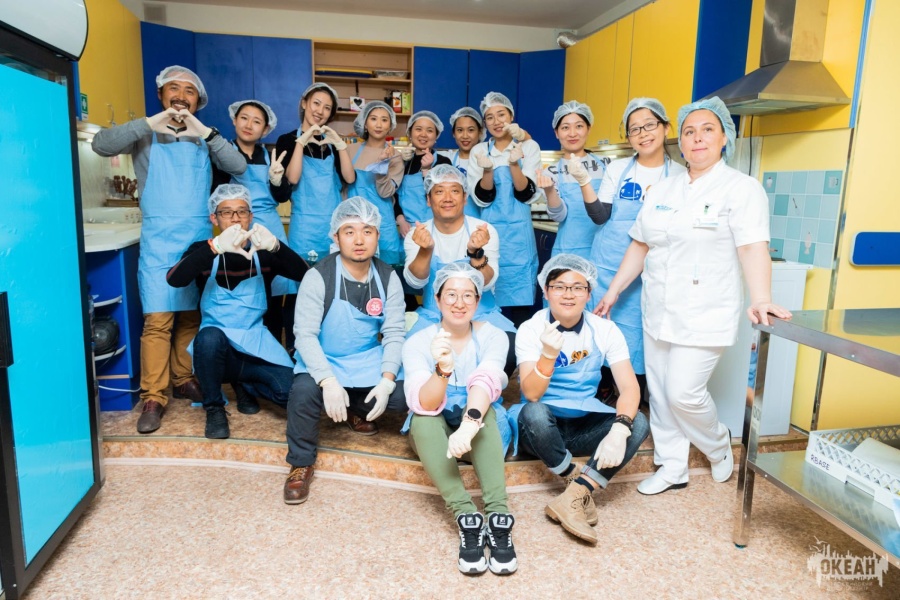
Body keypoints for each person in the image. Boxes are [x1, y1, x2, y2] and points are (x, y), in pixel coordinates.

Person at [596, 96, 791, 496]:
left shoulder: (741, 189)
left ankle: (718, 445)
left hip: (706, 310)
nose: (697, 138)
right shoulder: (663, 189)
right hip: (658, 307)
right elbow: (640, 244)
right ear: (680, 141)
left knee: (684, 392)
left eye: (707, 130)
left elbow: (753, 246)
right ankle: (672, 467)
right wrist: (613, 291)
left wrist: (761, 297)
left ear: (724, 138)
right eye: (689, 131)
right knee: (660, 393)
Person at [91, 65, 246, 434]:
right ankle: (153, 396)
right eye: (173, 88)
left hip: (195, 238)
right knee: (158, 319)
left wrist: (205, 132)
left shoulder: (204, 137)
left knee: (190, 316)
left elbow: (238, 165)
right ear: (161, 94)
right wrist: (149, 122)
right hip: (159, 240)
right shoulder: (144, 134)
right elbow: (101, 144)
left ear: (198, 101)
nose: (181, 96)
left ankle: (182, 378)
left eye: (189, 91)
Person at [510, 254, 649, 545]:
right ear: (545, 290)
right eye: (559, 286)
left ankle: (575, 494)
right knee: (534, 412)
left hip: (583, 424)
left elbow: (629, 388)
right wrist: (548, 355)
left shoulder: (605, 330)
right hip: (541, 430)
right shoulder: (530, 329)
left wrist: (620, 429)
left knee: (637, 423)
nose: (568, 294)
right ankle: (575, 478)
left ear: (589, 293)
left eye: (577, 287)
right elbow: (532, 393)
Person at [283, 197, 407, 505]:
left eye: (367, 231)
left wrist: (387, 380)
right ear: (336, 237)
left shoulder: (388, 277)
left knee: (406, 395)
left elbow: (394, 332)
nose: (359, 240)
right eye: (349, 232)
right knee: (303, 393)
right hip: (323, 359)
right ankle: (300, 463)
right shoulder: (318, 276)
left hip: (367, 360)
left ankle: (353, 406)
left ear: (378, 236)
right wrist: (327, 381)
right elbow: (305, 335)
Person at [166, 184, 309, 438]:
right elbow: (174, 279)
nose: (235, 218)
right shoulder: (203, 250)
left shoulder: (262, 252)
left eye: (242, 211)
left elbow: (306, 275)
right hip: (216, 350)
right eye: (226, 212)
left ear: (250, 217)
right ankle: (214, 408)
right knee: (208, 337)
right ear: (214, 218)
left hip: (255, 346)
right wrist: (214, 247)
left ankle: (245, 385)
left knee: (292, 394)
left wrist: (276, 246)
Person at [402, 263, 516, 575]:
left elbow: (487, 378)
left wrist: (470, 422)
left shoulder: (494, 336)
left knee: (486, 410)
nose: (459, 302)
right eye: (451, 294)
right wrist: (442, 370)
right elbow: (424, 402)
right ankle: (467, 516)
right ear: (437, 299)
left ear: (478, 301)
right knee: (422, 420)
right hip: (435, 425)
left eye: (468, 295)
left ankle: (498, 517)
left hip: (479, 424)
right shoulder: (417, 342)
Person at [589, 98, 686, 402]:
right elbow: (601, 215)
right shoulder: (618, 168)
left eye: (649, 125)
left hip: (652, 269)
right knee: (602, 326)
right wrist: (584, 185)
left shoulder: (680, 175)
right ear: (628, 137)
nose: (643, 134)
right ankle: (603, 389)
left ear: (666, 128)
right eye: (634, 129)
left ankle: (636, 394)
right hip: (608, 263)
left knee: (639, 332)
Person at [403, 164, 517, 375]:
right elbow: (415, 282)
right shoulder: (417, 234)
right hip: (434, 315)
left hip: (481, 314)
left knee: (509, 349)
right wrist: (425, 251)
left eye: (455, 191)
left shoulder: (483, 231)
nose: (447, 198)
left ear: (465, 198)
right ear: (428, 200)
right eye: (439, 191)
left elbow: (488, 283)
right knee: (411, 355)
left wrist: (476, 253)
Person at [276, 83, 356, 350]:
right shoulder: (287, 140)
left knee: (331, 288)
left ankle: (328, 346)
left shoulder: (333, 144)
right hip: (303, 226)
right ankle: (295, 348)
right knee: (298, 289)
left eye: (327, 107)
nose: (320, 111)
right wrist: (301, 142)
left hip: (332, 226)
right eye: (316, 103)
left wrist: (341, 145)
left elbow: (349, 178)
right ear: (304, 103)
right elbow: (292, 179)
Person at [210, 99, 293, 342]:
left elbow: (283, 196)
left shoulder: (270, 157)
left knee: (274, 295)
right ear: (234, 121)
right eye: (244, 118)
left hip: (270, 226)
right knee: (242, 291)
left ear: (265, 130)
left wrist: (277, 180)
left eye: (257, 121)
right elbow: (215, 193)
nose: (249, 125)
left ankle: (272, 350)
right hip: (237, 228)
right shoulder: (223, 154)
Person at [467, 92, 542, 326]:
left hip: (519, 238)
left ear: (511, 116)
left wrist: (513, 164)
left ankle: (520, 349)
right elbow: (482, 198)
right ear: (485, 123)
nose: (496, 121)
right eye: (489, 117)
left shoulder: (528, 147)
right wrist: (487, 170)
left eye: (501, 115)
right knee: (488, 300)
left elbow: (526, 193)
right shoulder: (479, 151)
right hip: (489, 233)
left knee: (521, 307)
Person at [534, 101, 606, 259]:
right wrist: (550, 190)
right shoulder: (550, 172)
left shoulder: (606, 165)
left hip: (603, 250)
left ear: (588, 129)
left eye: (579, 126)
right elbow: (559, 216)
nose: (572, 133)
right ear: (556, 133)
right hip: (568, 251)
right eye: (565, 127)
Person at [346, 101, 405, 265]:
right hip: (353, 222)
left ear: (390, 126)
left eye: (384, 120)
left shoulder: (395, 156)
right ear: (365, 123)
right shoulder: (350, 150)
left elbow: (386, 193)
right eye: (373, 119)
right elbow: (343, 188)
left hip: (383, 225)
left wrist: (381, 165)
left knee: (386, 270)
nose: (379, 124)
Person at [394, 110, 452, 239]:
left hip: (435, 229)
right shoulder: (404, 163)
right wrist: (401, 220)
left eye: (430, 130)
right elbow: (394, 196)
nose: (423, 134)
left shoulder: (443, 162)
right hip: (407, 231)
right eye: (418, 129)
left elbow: (444, 197)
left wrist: (427, 170)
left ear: (436, 136)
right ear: (410, 133)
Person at [438, 107, 486, 217]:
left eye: (471, 130)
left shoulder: (487, 159)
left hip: (480, 220)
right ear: (453, 133)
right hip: (452, 220)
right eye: (460, 130)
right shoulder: (446, 158)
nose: (465, 136)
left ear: (480, 132)